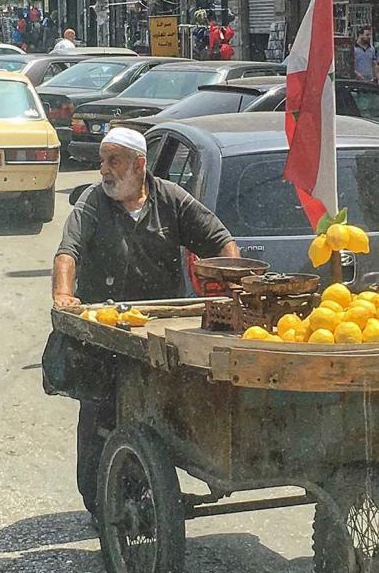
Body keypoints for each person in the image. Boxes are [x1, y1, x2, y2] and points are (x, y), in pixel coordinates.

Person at [46, 127, 241, 516]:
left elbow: (220, 241)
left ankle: (149, 488)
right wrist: (63, 296)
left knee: (162, 415)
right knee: (100, 416)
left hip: (158, 330)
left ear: (139, 164)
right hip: (105, 334)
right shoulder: (92, 202)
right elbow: (68, 252)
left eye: (113, 161)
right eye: (102, 161)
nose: (104, 170)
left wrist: (233, 285)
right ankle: (98, 502)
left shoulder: (171, 199)